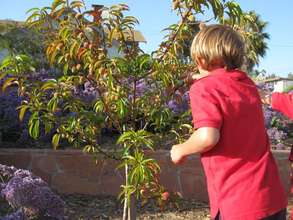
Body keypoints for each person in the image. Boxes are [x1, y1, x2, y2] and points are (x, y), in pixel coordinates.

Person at [170, 24, 287, 220]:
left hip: (238, 204)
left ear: (199, 59)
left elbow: (208, 136)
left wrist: (181, 149)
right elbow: (225, 82)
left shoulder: (203, 88)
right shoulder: (247, 84)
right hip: (272, 201)